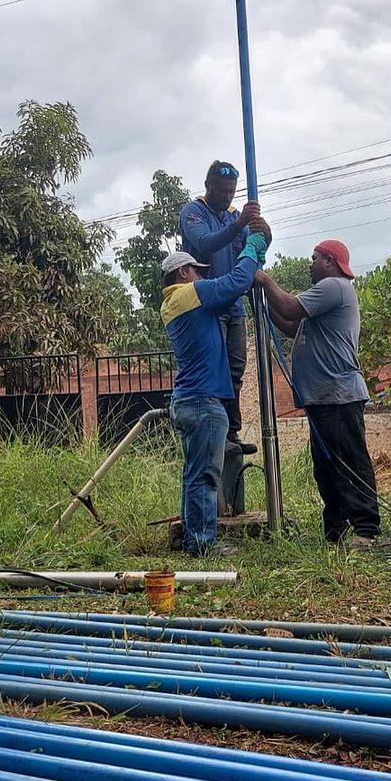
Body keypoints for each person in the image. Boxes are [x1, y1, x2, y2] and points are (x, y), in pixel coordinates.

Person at [254, 239, 381, 548]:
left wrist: (263, 279)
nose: (309, 264)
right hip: (324, 397)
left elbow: (288, 306)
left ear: (329, 261)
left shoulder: (334, 287)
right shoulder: (324, 299)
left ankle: (366, 528)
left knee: (350, 460)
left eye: (313, 259)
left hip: (338, 394)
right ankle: (335, 529)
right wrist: (261, 300)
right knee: (327, 467)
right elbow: (288, 324)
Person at [160, 230, 267, 556]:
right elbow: (233, 283)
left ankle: (194, 541)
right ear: (183, 272)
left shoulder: (173, 304)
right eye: (197, 270)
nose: (202, 275)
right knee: (205, 477)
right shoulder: (187, 294)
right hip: (203, 402)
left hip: (190, 400)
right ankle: (203, 545)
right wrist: (252, 248)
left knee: (193, 475)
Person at [179, 161, 272, 451]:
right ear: (208, 186)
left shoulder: (233, 216)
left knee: (235, 369)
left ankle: (231, 434)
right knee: (214, 369)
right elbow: (205, 244)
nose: (227, 197)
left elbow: (253, 251)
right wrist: (240, 224)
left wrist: (264, 234)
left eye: (232, 192)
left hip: (234, 305)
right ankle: (216, 435)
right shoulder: (194, 212)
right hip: (206, 304)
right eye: (222, 191)